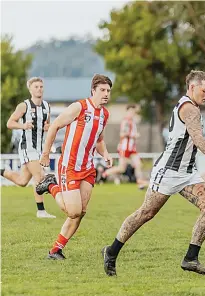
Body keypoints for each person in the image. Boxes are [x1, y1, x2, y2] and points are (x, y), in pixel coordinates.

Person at [101, 70, 205, 276]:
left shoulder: (192, 106)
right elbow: (197, 138)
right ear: (192, 87)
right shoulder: (189, 109)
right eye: (204, 90)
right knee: (146, 213)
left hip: (187, 173)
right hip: (168, 172)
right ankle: (111, 251)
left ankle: (190, 259)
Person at [35, 74, 113, 260]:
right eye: (102, 90)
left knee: (81, 212)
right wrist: (46, 153)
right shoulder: (79, 107)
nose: (106, 94)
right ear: (93, 90)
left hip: (87, 167)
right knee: (73, 211)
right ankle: (52, 185)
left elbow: (99, 139)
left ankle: (56, 250)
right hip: (69, 166)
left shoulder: (105, 114)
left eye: (108, 91)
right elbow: (54, 126)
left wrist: (106, 153)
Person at [1, 77, 56, 218]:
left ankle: (1, 171)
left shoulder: (46, 106)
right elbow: (9, 123)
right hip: (27, 147)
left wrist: (47, 128)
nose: (39, 89)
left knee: (22, 181)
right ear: (30, 89)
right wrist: (23, 125)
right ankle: (41, 211)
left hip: (39, 147)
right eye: (36, 86)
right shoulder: (24, 106)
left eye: (41, 86)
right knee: (39, 176)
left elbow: (47, 125)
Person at [96, 104, 148, 189]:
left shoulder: (132, 121)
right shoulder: (126, 121)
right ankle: (104, 174)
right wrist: (134, 135)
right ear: (127, 111)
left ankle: (140, 182)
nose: (132, 113)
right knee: (121, 168)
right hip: (124, 148)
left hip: (132, 148)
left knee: (138, 164)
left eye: (133, 112)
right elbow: (122, 134)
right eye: (131, 111)